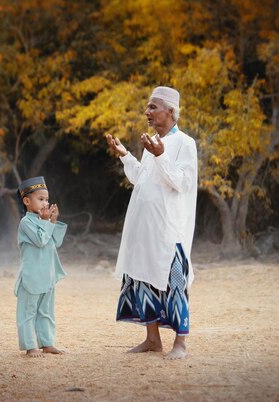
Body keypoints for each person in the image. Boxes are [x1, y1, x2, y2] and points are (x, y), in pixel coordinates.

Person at [105, 86, 198, 360]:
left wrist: (160, 155)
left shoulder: (185, 143)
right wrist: (125, 154)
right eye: (148, 107)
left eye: (153, 107)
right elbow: (140, 178)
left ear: (171, 111)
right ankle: (152, 340)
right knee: (142, 279)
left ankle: (180, 344)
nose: (147, 112)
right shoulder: (152, 142)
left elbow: (181, 182)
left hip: (170, 229)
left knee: (175, 282)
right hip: (143, 228)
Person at [14, 176, 67, 357]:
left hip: (47, 274)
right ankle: (30, 346)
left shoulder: (43, 220)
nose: (45, 203)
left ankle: (47, 343)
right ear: (27, 201)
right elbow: (40, 240)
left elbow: (55, 242)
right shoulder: (26, 223)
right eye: (41, 199)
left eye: (47, 199)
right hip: (31, 276)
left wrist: (52, 221)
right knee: (28, 312)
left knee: (46, 311)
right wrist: (46, 222)